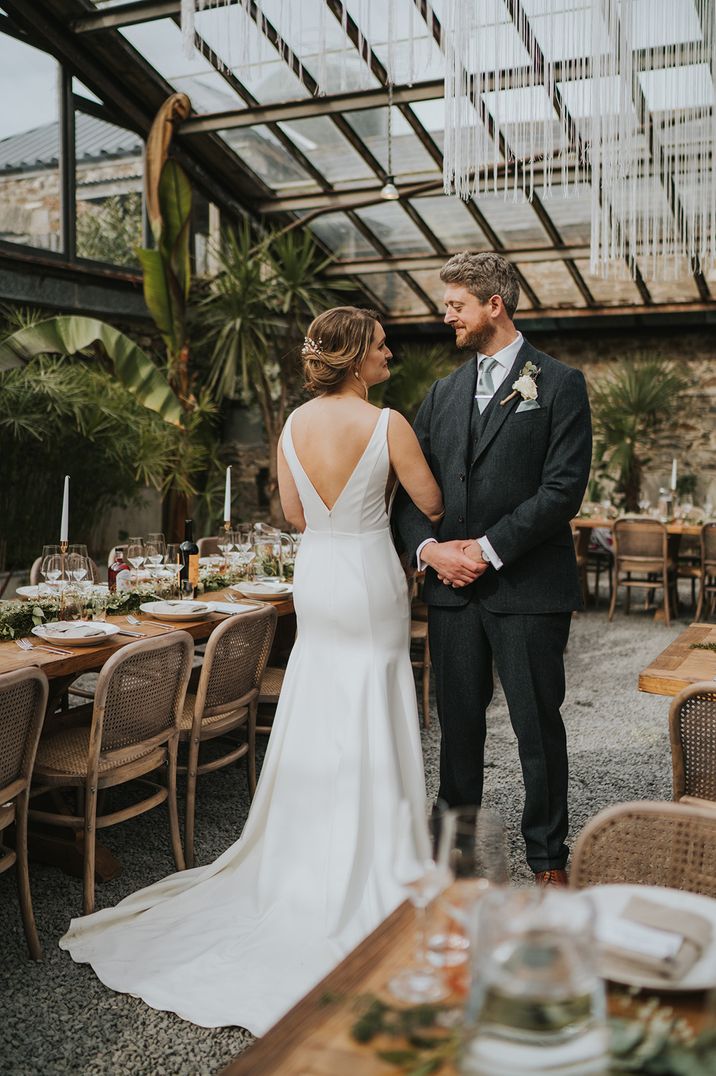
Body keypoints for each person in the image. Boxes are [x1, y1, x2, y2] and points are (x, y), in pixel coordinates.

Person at [59, 307, 443, 1035]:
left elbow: (296, 513)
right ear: (357, 356)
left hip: (320, 572)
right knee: (373, 701)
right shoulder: (389, 423)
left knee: (321, 701)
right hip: (368, 575)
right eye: (381, 344)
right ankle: (378, 862)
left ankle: (306, 857)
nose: (389, 352)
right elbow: (431, 501)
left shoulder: (294, 426)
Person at [393, 252, 592, 885]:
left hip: (528, 588)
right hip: (451, 593)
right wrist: (430, 551)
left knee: (537, 728)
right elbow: (407, 493)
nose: (445, 314)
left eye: (455, 304)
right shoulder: (442, 394)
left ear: (493, 306)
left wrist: (484, 549)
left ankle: (548, 860)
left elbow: (562, 491)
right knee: (457, 729)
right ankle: (456, 854)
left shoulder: (559, 384)